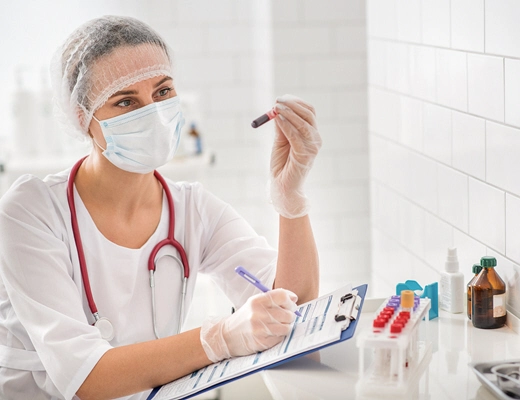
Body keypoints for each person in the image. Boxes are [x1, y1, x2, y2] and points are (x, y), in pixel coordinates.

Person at [0, 16, 321, 400]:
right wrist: (221, 338)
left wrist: (290, 200)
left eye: (163, 91)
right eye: (125, 100)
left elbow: (292, 307)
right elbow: (87, 378)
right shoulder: (31, 211)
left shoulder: (192, 208)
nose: (152, 112)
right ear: (83, 118)